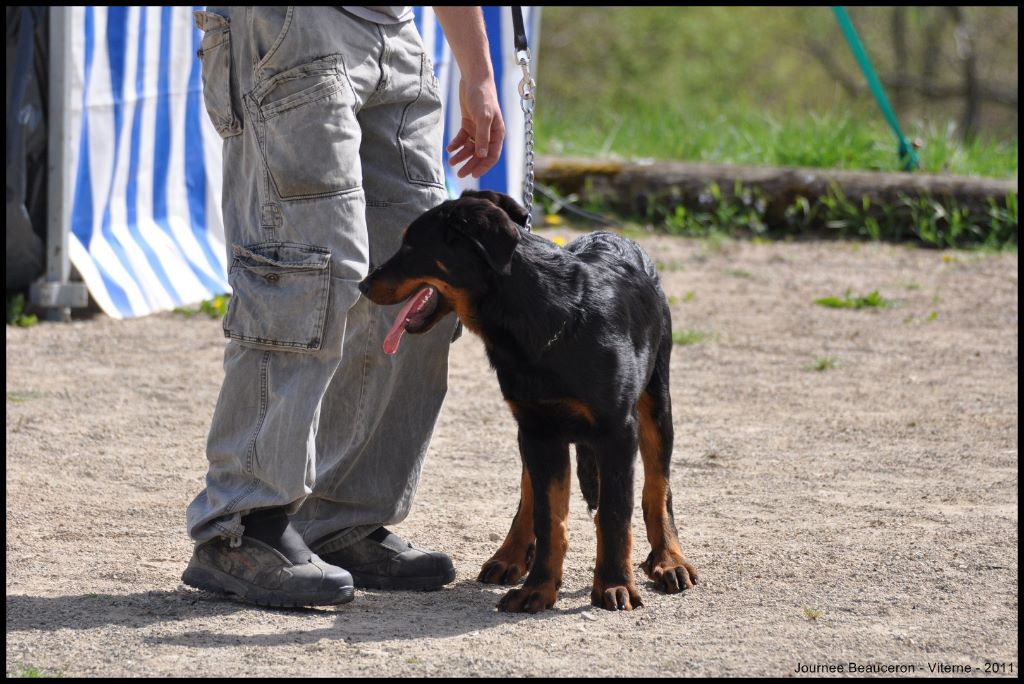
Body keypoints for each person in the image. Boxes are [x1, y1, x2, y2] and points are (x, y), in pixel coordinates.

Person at [183, 6, 505, 607]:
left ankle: (339, 518)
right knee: (305, 273)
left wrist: (478, 72)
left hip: (394, 29)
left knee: (425, 289)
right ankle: (241, 527)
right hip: (291, 25)